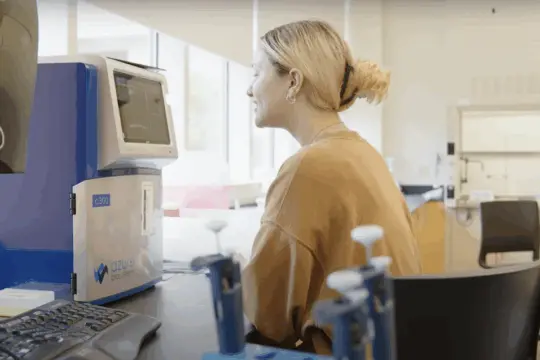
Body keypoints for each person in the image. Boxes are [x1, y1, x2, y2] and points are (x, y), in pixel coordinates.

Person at [241, 19, 422, 355]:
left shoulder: (307, 167)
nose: (249, 89)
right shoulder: (365, 154)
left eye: (256, 73)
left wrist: (241, 275)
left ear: (293, 81)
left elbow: (267, 318)